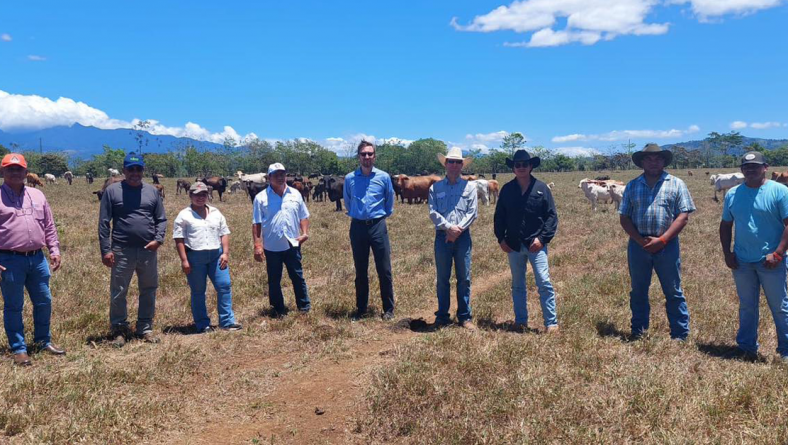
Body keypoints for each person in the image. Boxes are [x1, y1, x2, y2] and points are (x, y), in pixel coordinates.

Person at [619, 143, 695, 340]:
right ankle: (638, 331)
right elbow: (624, 217)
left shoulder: (676, 183)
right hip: (638, 246)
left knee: (673, 291)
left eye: (657, 159)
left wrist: (662, 240)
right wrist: (640, 241)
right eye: (649, 159)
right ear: (642, 162)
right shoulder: (632, 185)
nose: (653, 162)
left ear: (664, 161)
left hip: (667, 246)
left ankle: (680, 334)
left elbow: (683, 216)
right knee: (638, 291)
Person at [720, 151, 788, 362]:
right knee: (747, 306)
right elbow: (725, 225)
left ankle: (785, 350)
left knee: (780, 306)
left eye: (756, 166)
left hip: (771, 260)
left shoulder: (780, 191)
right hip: (742, 260)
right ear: (742, 170)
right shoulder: (732, 194)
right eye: (747, 167)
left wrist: (778, 253)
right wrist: (727, 253)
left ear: (765, 168)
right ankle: (746, 346)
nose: (751, 170)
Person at [0, 153, 66, 366]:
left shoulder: (38, 195)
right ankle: (19, 348)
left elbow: (49, 225)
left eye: (19, 169)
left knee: (44, 301)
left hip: (37, 259)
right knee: (13, 305)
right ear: (2, 172)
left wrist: (54, 250)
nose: (15, 172)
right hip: (9, 260)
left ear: (26, 173)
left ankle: (43, 341)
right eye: (10, 168)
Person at [98, 153, 167, 347]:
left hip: (148, 250)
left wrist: (158, 240)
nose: (135, 173)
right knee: (119, 290)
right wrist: (106, 250)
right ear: (124, 170)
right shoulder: (112, 191)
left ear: (143, 171)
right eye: (131, 169)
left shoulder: (152, 192)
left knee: (149, 289)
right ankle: (119, 329)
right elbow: (104, 223)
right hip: (121, 249)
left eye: (138, 169)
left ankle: (145, 327)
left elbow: (161, 219)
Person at [494, 149, 559, 333]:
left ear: (531, 166)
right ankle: (521, 321)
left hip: (536, 245)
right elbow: (499, 216)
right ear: (513, 168)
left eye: (524, 164)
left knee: (544, 282)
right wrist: (501, 239)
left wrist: (542, 239)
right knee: (517, 284)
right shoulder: (507, 189)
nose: (521, 168)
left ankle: (551, 323)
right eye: (517, 165)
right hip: (513, 244)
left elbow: (551, 216)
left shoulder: (542, 188)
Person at [173, 182, 241, 333]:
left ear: (208, 195)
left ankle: (227, 321)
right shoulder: (184, 215)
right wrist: (184, 260)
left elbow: (224, 233)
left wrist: (225, 252)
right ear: (190, 196)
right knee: (198, 291)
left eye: (203, 194)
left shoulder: (216, 212)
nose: (200, 197)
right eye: (196, 195)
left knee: (224, 285)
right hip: (195, 257)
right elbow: (179, 238)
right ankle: (202, 324)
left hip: (216, 256)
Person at [344, 141, 396, 320]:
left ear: (375, 156)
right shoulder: (350, 178)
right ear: (358, 156)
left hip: (377, 225)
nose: (367, 157)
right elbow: (348, 201)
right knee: (360, 270)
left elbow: (389, 201)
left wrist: (380, 217)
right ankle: (361, 309)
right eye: (363, 154)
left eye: (370, 154)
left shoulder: (383, 177)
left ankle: (388, 309)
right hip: (357, 226)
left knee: (384, 269)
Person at [428, 147, 478, 329]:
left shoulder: (470, 187)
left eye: (458, 162)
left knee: (464, 277)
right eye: (451, 161)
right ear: (446, 164)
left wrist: (458, 230)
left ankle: (465, 316)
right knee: (443, 278)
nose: (455, 165)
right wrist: (449, 228)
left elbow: (472, 212)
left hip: (463, 237)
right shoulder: (435, 187)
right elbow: (433, 212)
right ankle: (442, 315)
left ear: (462, 165)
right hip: (442, 236)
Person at [252, 163, 311, 316]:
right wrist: (258, 245)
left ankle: (304, 307)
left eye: (282, 174)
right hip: (272, 246)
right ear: (269, 177)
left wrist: (304, 232)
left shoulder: (295, 194)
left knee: (297, 275)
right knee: (274, 278)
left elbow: (303, 215)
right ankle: (278, 309)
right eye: (276, 174)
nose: (280, 177)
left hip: (292, 242)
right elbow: (257, 223)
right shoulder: (261, 198)